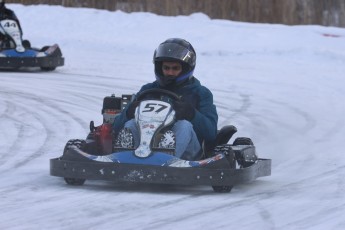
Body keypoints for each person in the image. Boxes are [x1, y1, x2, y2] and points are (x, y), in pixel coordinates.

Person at [113, 38, 218, 160]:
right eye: (166, 68)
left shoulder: (201, 93)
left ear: (185, 69)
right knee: (130, 124)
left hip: (189, 155)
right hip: (146, 146)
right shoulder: (147, 90)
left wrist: (192, 114)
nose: (170, 73)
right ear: (160, 68)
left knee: (184, 126)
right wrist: (129, 112)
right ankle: (125, 160)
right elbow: (115, 128)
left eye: (175, 68)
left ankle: (165, 161)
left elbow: (211, 133)